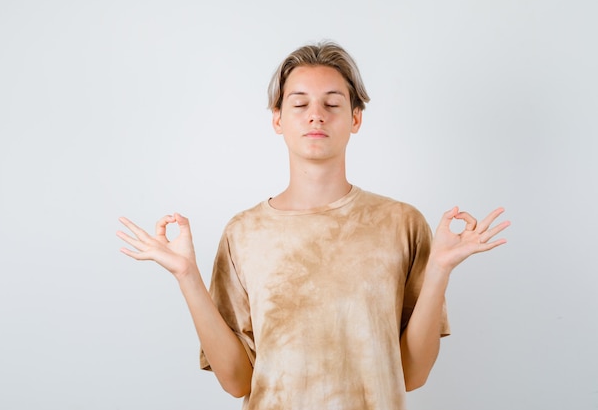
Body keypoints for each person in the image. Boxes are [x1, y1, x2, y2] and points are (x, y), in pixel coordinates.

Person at [116, 41, 510, 410]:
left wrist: (440, 270)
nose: (316, 114)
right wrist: (186, 275)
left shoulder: (401, 224)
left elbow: (412, 374)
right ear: (277, 119)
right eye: (300, 103)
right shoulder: (244, 233)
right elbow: (237, 381)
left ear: (356, 118)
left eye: (332, 104)